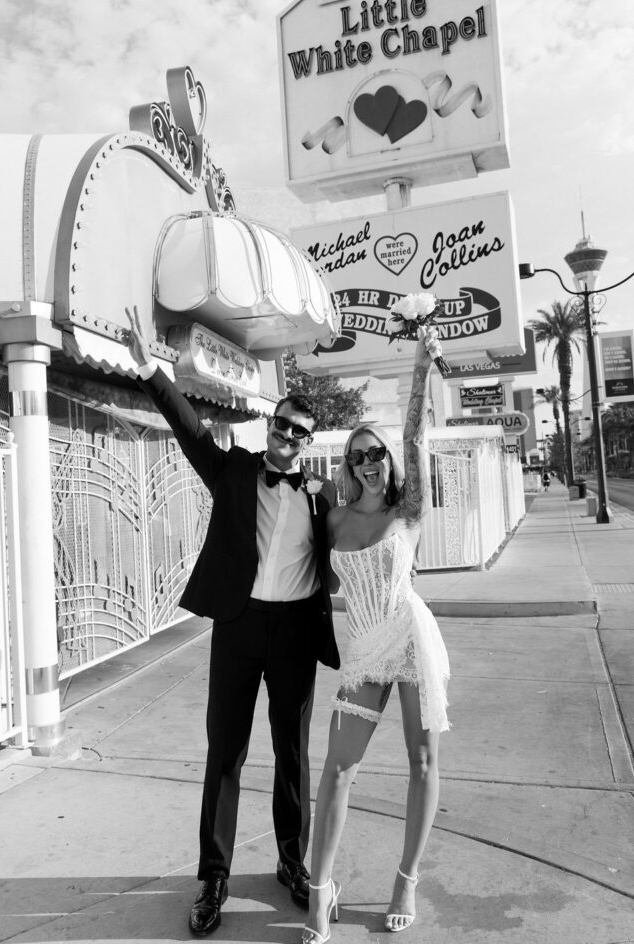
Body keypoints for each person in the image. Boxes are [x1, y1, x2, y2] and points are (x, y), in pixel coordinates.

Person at [124, 306, 340, 937]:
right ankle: (213, 875)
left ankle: (291, 863)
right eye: (283, 425)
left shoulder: (323, 496)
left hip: (296, 632)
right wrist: (149, 369)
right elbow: (191, 430)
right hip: (239, 629)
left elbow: (367, 530)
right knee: (226, 751)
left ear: (308, 441)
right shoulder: (237, 469)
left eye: (300, 433)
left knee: (292, 756)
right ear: (270, 425)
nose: (288, 437)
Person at [302, 327, 450, 944]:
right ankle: (319, 892)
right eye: (357, 455)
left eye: (376, 453)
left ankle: (406, 880)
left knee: (421, 761)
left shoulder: (405, 513)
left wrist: (420, 367)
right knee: (337, 770)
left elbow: (415, 435)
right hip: (362, 650)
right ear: (347, 464)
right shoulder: (332, 516)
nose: (368, 462)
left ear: (387, 461)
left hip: (410, 642)